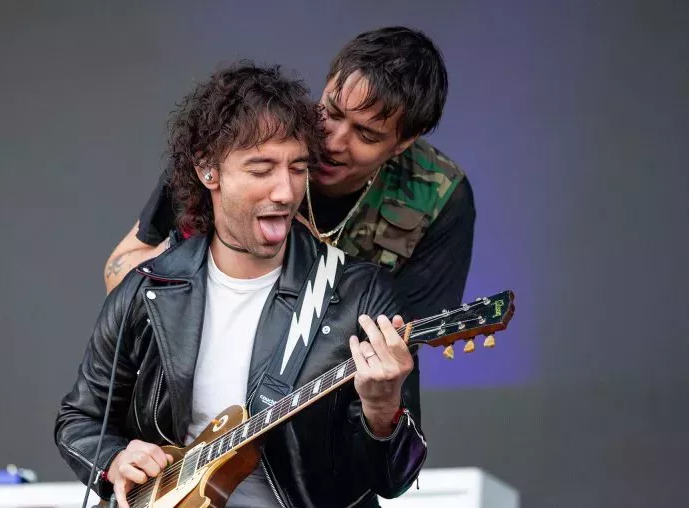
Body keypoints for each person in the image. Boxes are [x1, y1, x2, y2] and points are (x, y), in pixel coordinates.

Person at [55, 62, 426, 508]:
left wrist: (382, 410)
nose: (285, 192)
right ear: (208, 171)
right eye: (261, 169)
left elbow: (393, 480)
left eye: (297, 168)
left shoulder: (360, 295)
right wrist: (114, 460)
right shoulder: (149, 289)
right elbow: (80, 418)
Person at [104, 26, 476, 325]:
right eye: (331, 111)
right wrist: (202, 257)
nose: (332, 141)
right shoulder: (241, 139)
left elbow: (403, 341)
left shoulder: (440, 196)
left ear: (404, 142)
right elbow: (118, 271)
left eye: (366, 135)